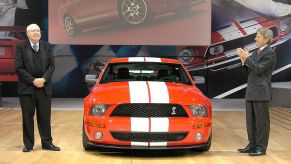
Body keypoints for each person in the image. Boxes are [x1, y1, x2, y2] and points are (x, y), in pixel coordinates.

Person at [15, 24, 60, 152]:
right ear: (27, 33)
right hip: (27, 89)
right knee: (27, 117)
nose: (36, 33)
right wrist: (33, 81)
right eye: (33, 31)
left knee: (45, 117)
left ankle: (47, 143)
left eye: (37, 30)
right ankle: (28, 144)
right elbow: (18, 68)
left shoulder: (47, 46)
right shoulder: (20, 47)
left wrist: (43, 79)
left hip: (44, 88)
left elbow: (51, 66)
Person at [236, 27, 276, 156]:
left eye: (258, 36)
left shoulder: (270, 53)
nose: (255, 39)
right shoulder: (256, 52)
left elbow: (259, 69)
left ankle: (261, 147)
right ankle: (252, 145)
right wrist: (243, 61)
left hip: (261, 92)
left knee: (261, 122)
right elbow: (249, 71)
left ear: (266, 39)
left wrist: (247, 58)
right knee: (250, 121)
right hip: (251, 91)